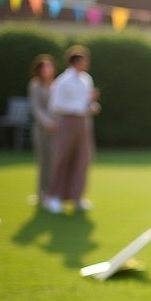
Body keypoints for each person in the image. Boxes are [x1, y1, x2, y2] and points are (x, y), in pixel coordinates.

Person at [46, 45, 100, 214]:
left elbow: (87, 102)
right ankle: (54, 197)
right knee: (62, 158)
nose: (87, 63)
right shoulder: (63, 81)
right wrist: (80, 106)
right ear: (76, 62)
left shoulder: (86, 79)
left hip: (83, 123)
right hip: (67, 122)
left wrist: (92, 105)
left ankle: (77, 196)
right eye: (84, 60)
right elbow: (55, 105)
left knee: (82, 159)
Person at [27, 53, 56, 206]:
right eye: (44, 67)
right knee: (44, 162)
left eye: (49, 67)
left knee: (54, 162)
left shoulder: (56, 85)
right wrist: (47, 123)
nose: (47, 70)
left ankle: (53, 192)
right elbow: (36, 108)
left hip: (56, 129)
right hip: (41, 129)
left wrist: (56, 123)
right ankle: (42, 193)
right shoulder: (35, 85)